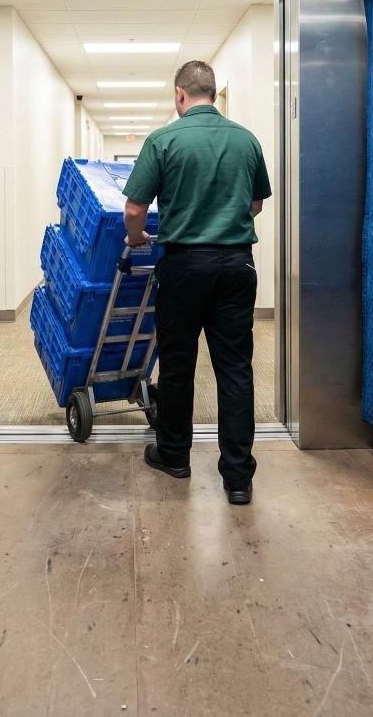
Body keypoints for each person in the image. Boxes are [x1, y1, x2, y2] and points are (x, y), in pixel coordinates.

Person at [122, 61, 271, 505]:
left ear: (180, 94)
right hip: (236, 267)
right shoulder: (246, 139)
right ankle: (238, 478)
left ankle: (174, 457)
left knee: (178, 364)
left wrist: (137, 238)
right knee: (235, 369)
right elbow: (256, 204)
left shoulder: (163, 140)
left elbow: (134, 209)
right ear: (214, 93)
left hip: (184, 267)